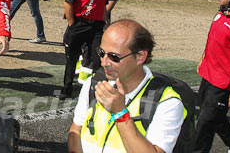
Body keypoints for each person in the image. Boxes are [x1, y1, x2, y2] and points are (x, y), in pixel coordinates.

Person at [67, 19, 185, 153]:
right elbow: (76, 129)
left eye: (114, 57)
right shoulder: (94, 84)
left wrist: (120, 114)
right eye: (101, 53)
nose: (104, 62)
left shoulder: (167, 102)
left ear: (140, 56)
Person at [194, 0, 230, 153]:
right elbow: (212, 38)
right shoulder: (222, 13)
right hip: (208, 74)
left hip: (224, 81)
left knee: (205, 123)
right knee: (215, 116)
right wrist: (203, 58)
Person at [61, 0, 108, 99]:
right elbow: (68, 3)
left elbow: (103, 5)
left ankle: (93, 89)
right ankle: (66, 88)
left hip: (96, 27)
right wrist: (72, 24)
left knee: (96, 59)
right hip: (80, 24)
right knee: (72, 58)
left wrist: (105, 22)